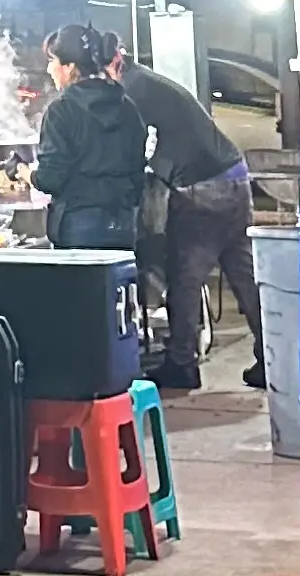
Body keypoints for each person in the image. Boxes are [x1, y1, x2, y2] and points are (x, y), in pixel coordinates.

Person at [111, 38, 265, 393]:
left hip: (201, 188)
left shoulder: (131, 89)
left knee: (184, 277)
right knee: (244, 275)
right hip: (234, 176)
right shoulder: (146, 81)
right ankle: (275, 359)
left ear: (114, 62)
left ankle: (181, 363)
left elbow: (126, 148)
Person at [31, 22, 146, 251]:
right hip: (123, 225)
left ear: (69, 66)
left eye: (52, 61)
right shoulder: (127, 106)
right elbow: (138, 168)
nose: (48, 69)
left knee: (82, 288)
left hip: (79, 228)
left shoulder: (62, 110)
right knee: (115, 286)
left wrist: (24, 173)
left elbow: (51, 179)